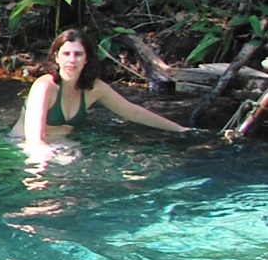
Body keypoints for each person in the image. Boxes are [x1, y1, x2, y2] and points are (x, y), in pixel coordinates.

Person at [19, 27, 191, 160]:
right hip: (24, 144)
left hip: (61, 143)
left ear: (86, 59)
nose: (71, 60)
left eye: (78, 54)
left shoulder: (95, 88)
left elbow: (134, 112)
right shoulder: (44, 86)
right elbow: (34, 140)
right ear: (56, 57)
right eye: (66, 54)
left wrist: (180, 129)